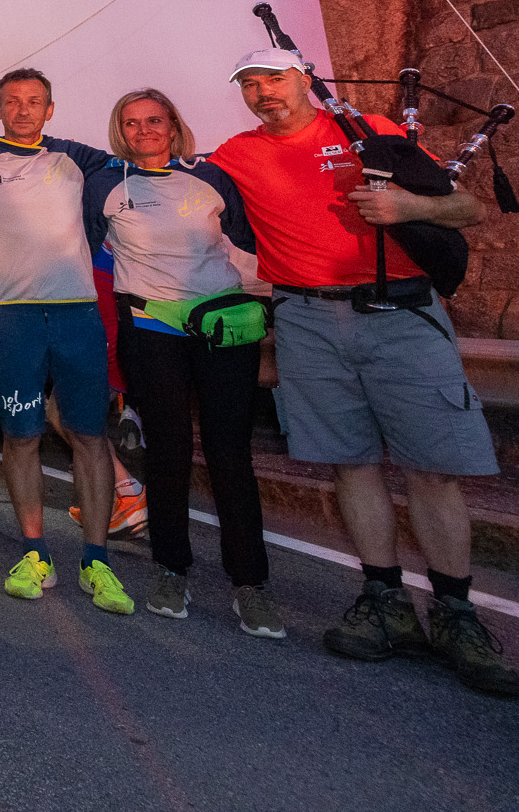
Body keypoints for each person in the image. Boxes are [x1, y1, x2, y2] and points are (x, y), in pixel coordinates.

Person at [209, 50, 517, 696]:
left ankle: (456, 613)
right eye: (250, 84)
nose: (263, 92)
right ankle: (385, 600)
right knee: (350, 463)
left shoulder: (368, 130)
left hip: (401, 313)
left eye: (274, 78)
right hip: (306, 320)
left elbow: (467, 208)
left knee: (432, 468)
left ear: (305, 80)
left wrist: (407, 206)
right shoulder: (236, 154)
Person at [83, 88, 279, 637]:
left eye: (154, 120)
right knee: (167, 452)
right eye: (132, 122)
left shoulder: (211, 176)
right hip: (151, 331)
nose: (144, 130)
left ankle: (250, 584)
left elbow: (252, 241)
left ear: (173, 125)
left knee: (230, 455)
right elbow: (76, 247)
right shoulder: (105, 185)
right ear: (120, 132)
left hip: (222, 327)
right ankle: (171, 570)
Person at [0, 69, 132, 615]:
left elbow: (134, 173)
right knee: (21, 434)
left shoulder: (77, 157)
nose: (23, 109)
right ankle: (36, 554)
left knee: (89, 435)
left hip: (77, 312)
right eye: (12, 101)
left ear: (50, 109)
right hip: (11, 317)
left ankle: (96, 559)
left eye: (34, 101)